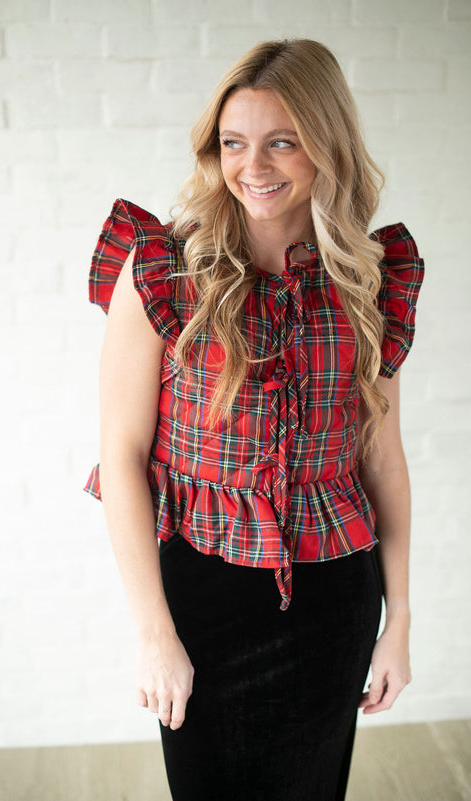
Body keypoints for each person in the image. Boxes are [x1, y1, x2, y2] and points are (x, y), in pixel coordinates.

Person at [84, 39, 424, 801]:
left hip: (335, 592)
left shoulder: (368, 282)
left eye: (282, 141)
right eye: (234, 143)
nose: (254, 166)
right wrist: (153, 633)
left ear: (326, 145)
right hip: (200, 590)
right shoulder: (161, 272)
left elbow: (384, 463)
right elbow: (123, 451)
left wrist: (396, 620)